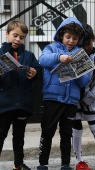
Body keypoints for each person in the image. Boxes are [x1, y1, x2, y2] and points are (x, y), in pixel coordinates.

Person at [37, 17, 90, 170]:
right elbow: (43, 60)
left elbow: (84, 81)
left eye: (75, 38)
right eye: (68, 37)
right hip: (52, 98)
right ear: (61, 35)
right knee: (47, 131)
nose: (71, 41)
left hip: (71, 101)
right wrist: (59, 58)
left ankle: (65, 164)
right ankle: (43, 163)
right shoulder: (51, 48)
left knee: (67, 134)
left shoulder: (80, 54)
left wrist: (78, 72)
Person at [0, 18, 42, 170]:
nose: (18, 39)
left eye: (22, 37)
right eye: (15, 35)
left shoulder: (29, 55)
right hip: (4, 103)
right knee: (1, 134)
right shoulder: (0, 53)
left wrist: (34, 73)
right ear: (7, 34)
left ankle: (18, 164)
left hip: (22, 103)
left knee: (19, 137)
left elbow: (38, 71)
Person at [72, 24, 95, 170]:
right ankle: (79, 161)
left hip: (91, 98)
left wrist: (89, 98)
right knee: (76, 128)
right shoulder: (75, 56)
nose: (85, 47)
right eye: (82, 44)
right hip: (75, 98)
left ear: (94, 39)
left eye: (88, 44)